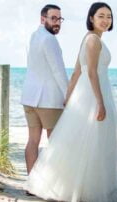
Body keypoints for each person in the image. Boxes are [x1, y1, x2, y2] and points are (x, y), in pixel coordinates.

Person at [25, 2, 117, 201]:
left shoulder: (88, 39)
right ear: (91, 18)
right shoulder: (93, 41)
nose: (106, 20)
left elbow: (75, 73)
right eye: (101, 16)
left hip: (83, 95)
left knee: (85, 144)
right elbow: (89, 72)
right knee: (90, 144)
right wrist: (100, 102)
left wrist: (68, 98)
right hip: (92, 96)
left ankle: (95, 186)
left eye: (109, 16)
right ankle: (84, 189)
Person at [20, 4, 68, 181]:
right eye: (53, 18)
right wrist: (69, 94)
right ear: (43, 19)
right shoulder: (49, 39)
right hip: (48, 100)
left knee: (33, 140)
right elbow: (58, 71)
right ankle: (55, 183)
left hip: (30, 98)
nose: (57, 23)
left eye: (59, 19)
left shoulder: (35, 36)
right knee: (56, 143)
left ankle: (32, 184)